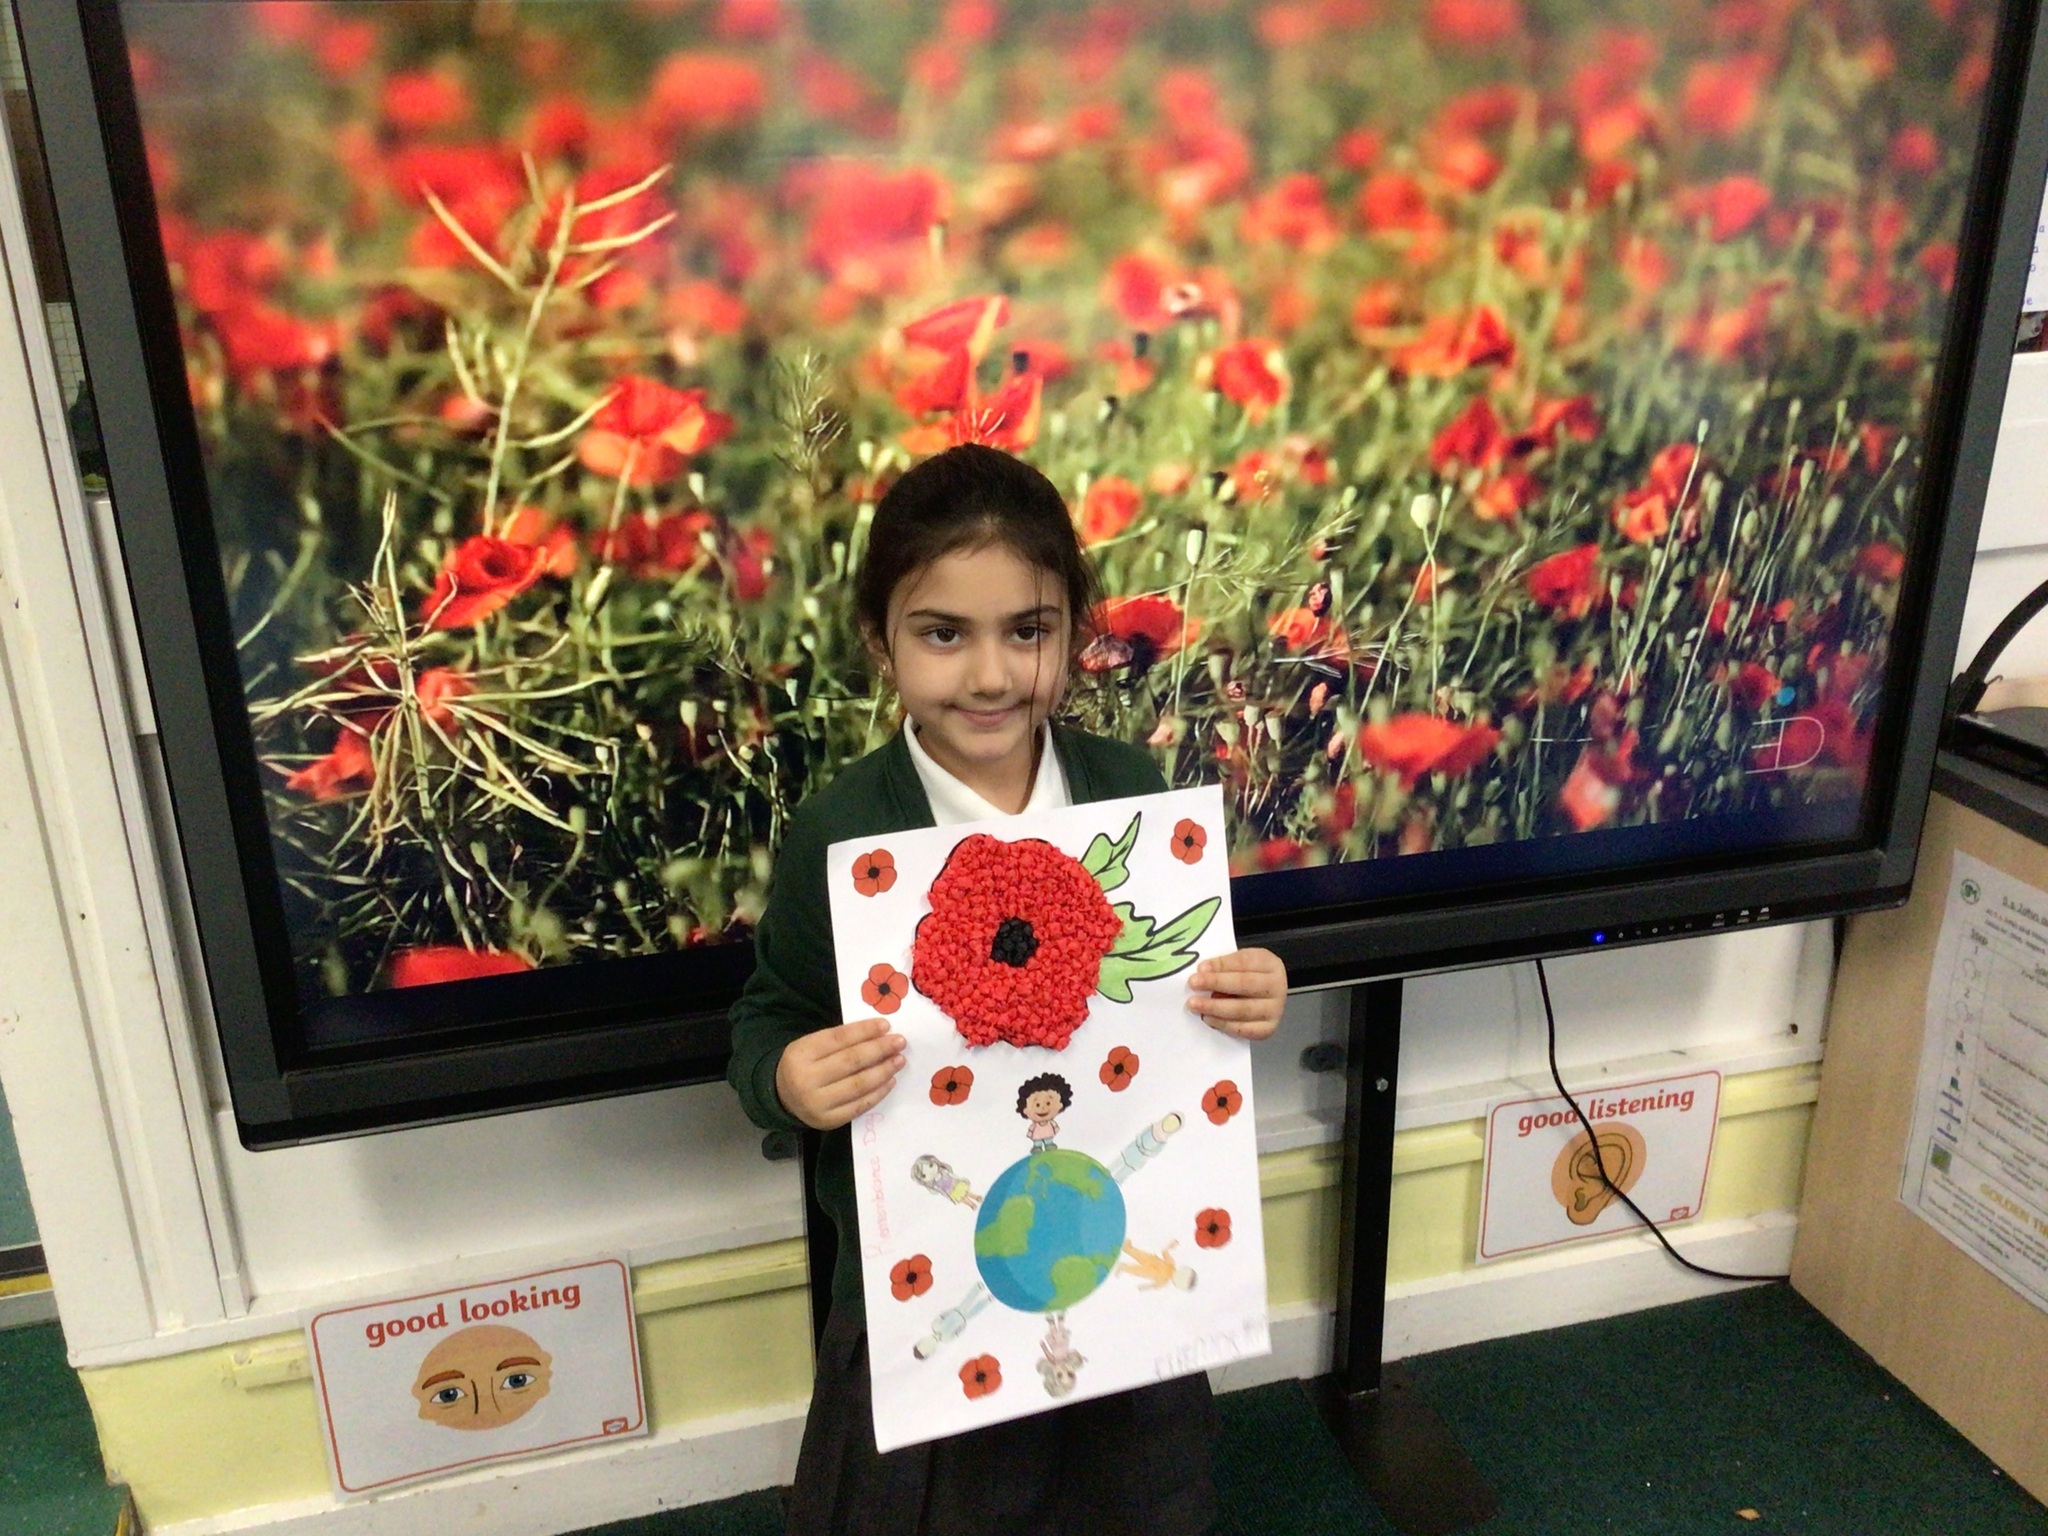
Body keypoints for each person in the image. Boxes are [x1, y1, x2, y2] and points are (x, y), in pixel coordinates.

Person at [726, 442, 1289, 1536]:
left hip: (1116, 1265)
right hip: (929, 1287)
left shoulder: (1127, 794)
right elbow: (768, 1016)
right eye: (943, 634)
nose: (988, 676)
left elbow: (1184, 984)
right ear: (879, 641)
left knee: (1136, 1500)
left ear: (1073, 632)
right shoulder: (844, 828)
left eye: (1026, 632)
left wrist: (1250, 988)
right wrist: (788, 1078)